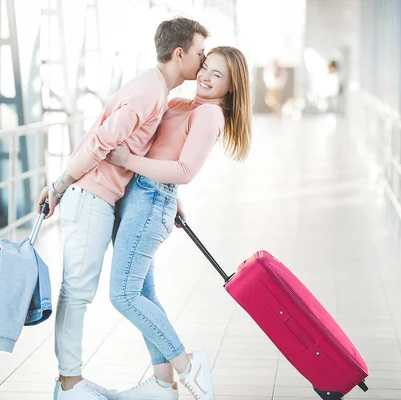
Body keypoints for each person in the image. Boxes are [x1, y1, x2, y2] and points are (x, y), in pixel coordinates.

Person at [36, 17, 209, 400]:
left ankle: (76, 381)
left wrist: (171, 196)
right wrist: (60, 185)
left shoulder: (154, 89)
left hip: (101, 195)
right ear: (179, 53)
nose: (204, 61)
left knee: (83, 290)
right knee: (77, 292)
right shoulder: (150, 91)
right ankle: (69, 384)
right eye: (200, 53)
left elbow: (135, 149)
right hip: (90, 193)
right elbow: (102, 141)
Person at [103, 46, 251, 400]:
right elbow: (165, 153)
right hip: (142, 198)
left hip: (149, 201)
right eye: (206, 67)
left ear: (231, 88)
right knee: (142, 294)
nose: (205, 77)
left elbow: (183, 171)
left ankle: (187, 367)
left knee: (123, 295)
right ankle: (160, 384)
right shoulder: (183, 104)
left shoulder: (210, 115)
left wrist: (129, 161)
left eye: (218, 75)